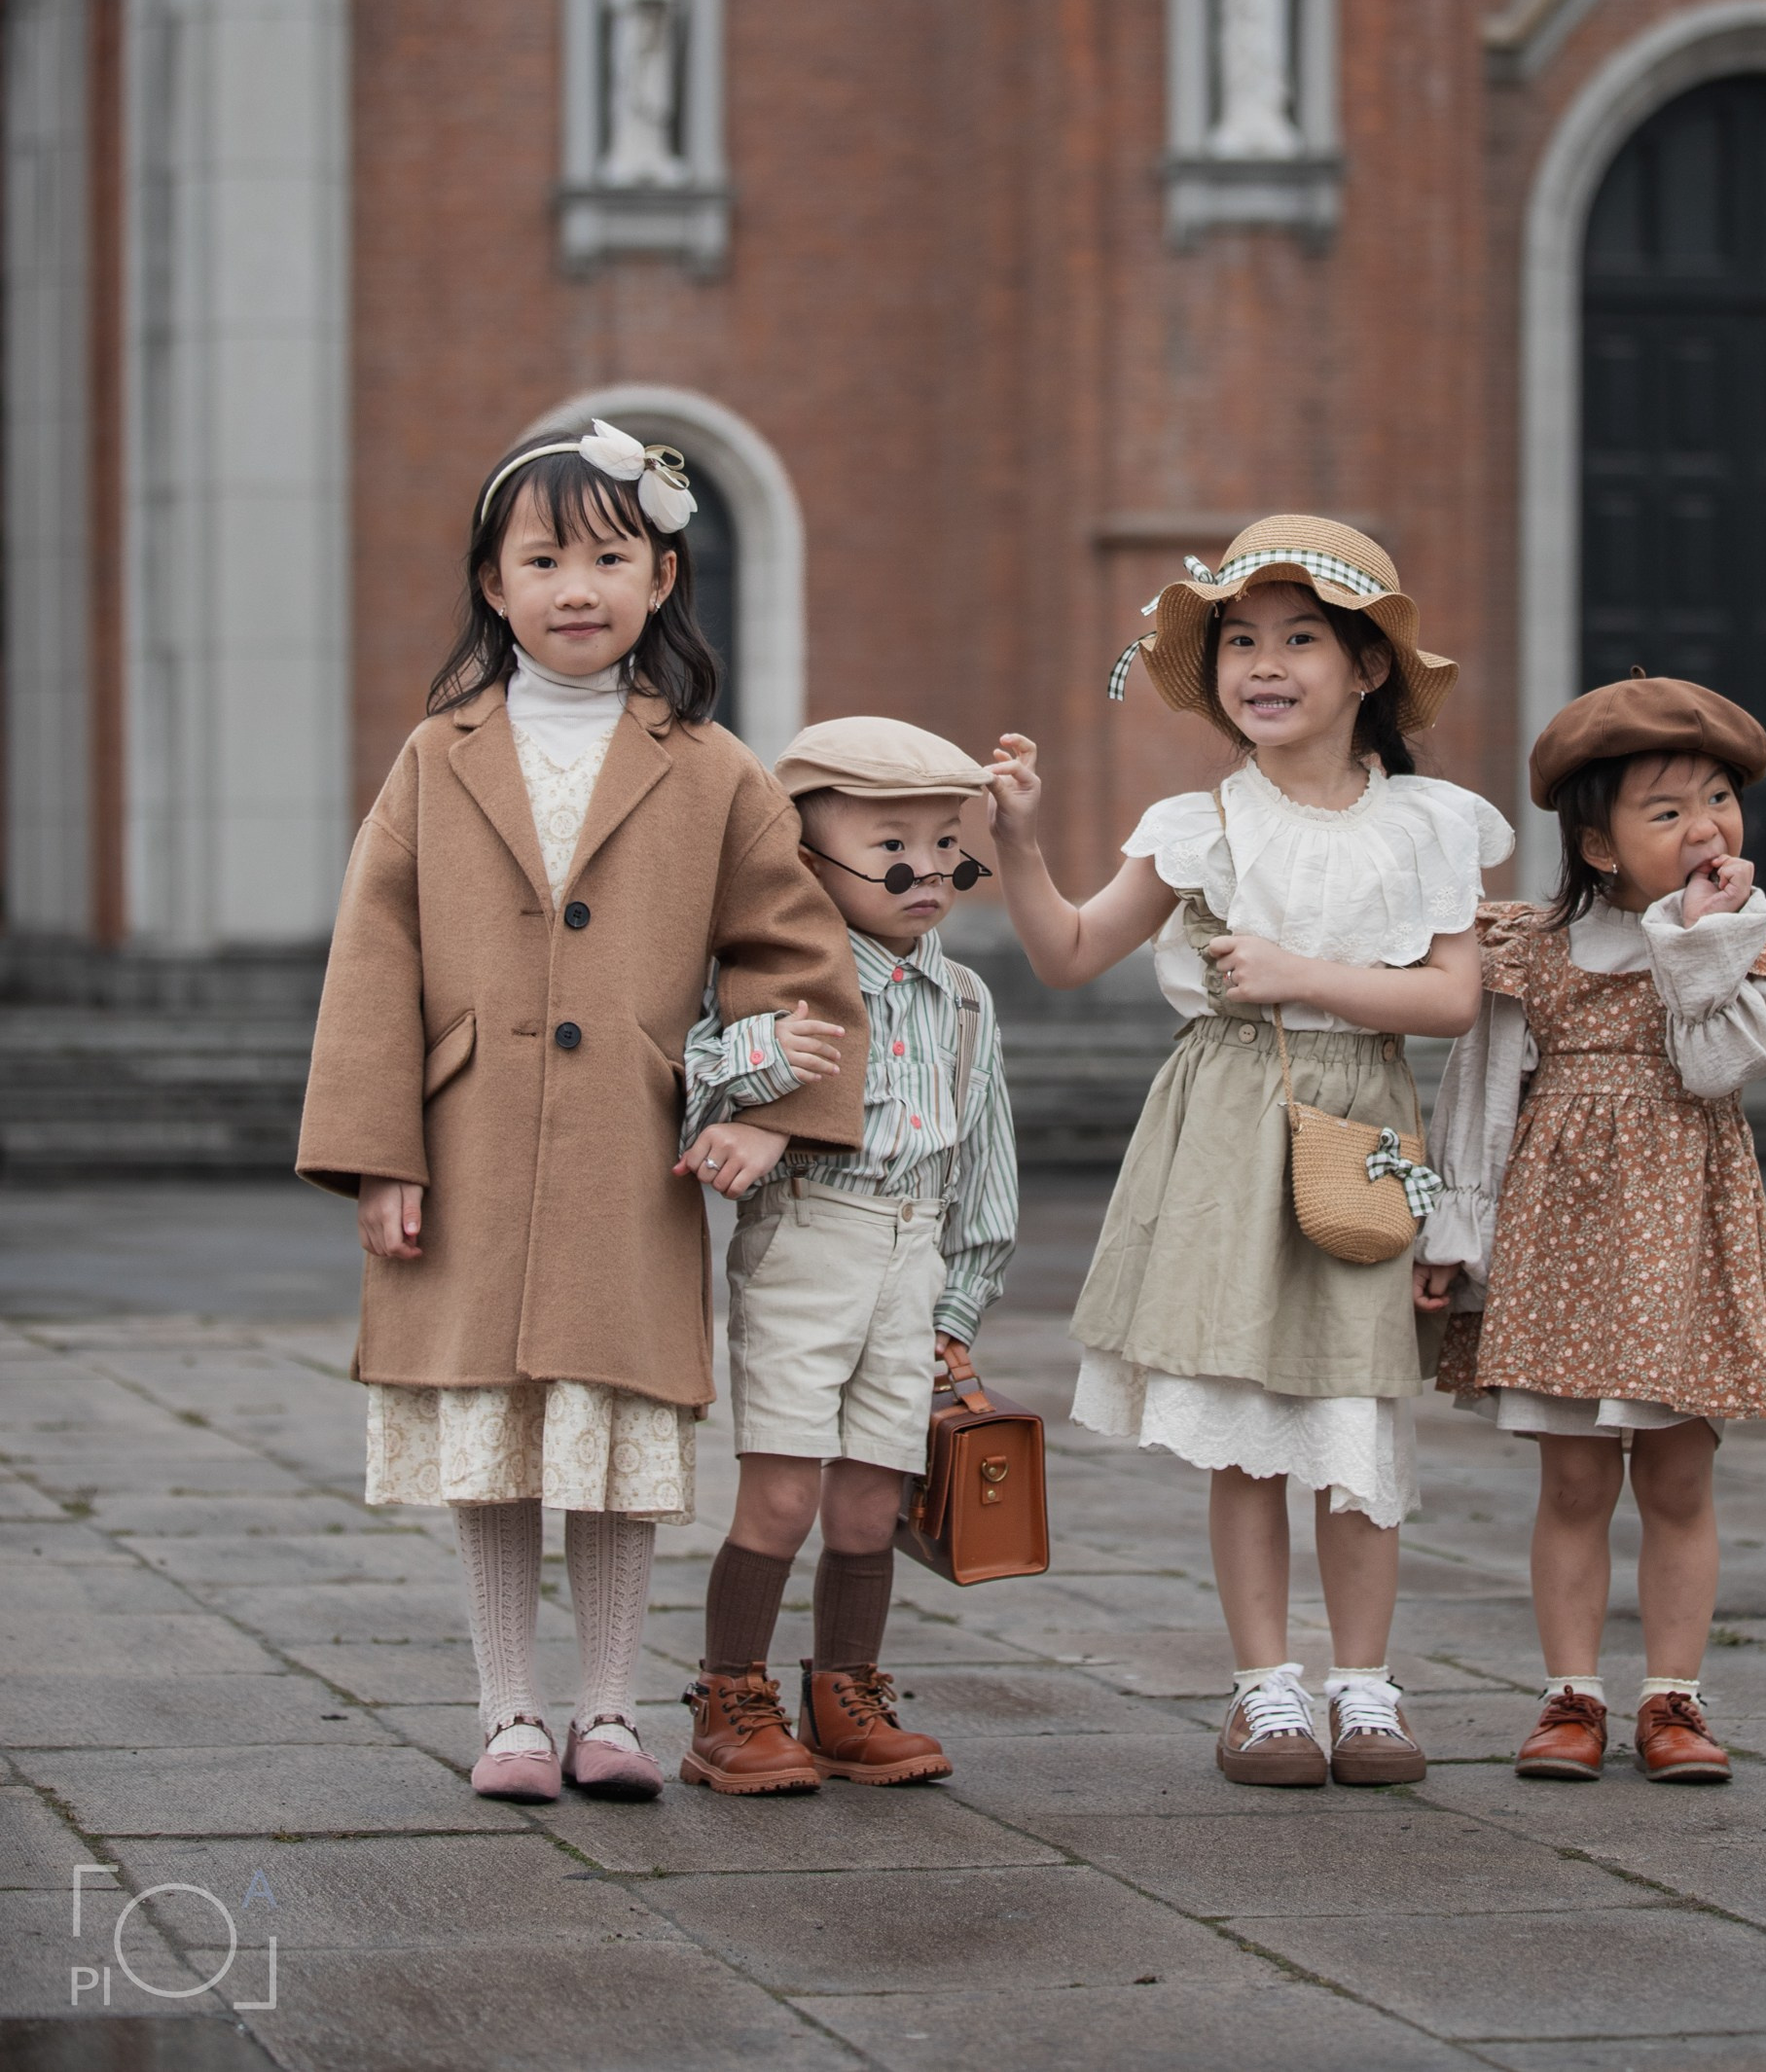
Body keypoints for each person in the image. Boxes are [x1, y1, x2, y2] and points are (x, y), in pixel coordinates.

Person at [297, 421, 864, 1804]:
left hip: (633, 1149)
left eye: (609, 557)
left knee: (615, 1428)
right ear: (492, 586)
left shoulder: (713, 767)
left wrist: (771, 1116)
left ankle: (608, 1711)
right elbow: (374, 953)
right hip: (469, 1141)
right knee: (490, 1428)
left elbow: (801, 962)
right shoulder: (438, 756)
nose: (575, 587)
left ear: (662, 578)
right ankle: (507, 1713)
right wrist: (380, 1153)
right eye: (542, 557)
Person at [989, 518, 1510, 1789]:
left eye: (1298, 640)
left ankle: (1368, 1687)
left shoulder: (1432, 824)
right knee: (1245, 1424)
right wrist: (1015, 841)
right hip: (1225, 1128)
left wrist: (1298, 973)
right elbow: (1065, 953)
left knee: (1356, 1411)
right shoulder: (1199, 822)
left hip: (1366, 1125)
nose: (1262, 666)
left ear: (1368, 668)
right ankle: (1266, 1688)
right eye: (1238, 642)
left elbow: (1453, 1001)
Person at [1421, 672, 1766, 1786]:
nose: (1706, 828)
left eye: (1718, 800)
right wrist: (1454, 1231)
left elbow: (1710, 1065)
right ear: (1597, 844)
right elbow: (1480, 1088)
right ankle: (1569, 1695)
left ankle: (1673, 1699)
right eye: (1666, 812)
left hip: (1681, 1232)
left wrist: (1701, 935)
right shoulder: (1530, 945)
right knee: (1569, 1482)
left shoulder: (1762, 949)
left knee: (1676, 1474)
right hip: (1557, 1234)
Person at [678, 716, 1019, 1795]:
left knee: (874, 1498)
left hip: (914, 1248)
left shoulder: (964, 999)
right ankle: (729, 1699)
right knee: (781, 1493)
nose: (926, 870)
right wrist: (759, 1060)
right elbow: (690, 1078)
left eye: (943, 840)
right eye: (889, 847)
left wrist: (959, 1306)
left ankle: (845, 1692)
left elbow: (985, 1152)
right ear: (806, 860)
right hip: (809, 1237)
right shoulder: (778, 983)